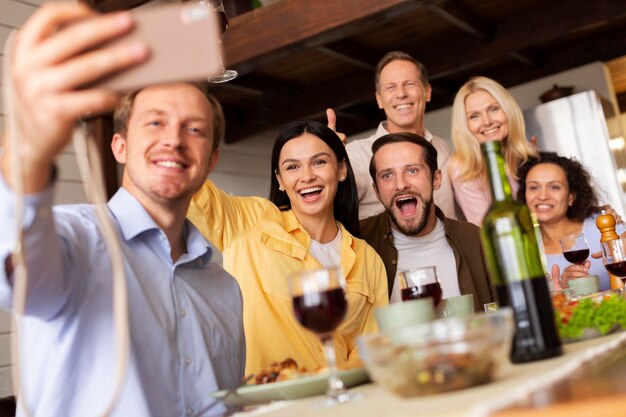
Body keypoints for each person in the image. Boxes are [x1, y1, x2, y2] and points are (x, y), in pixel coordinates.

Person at [0, 4, 244, 416]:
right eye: (154, 122)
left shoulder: (225, 288)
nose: (174, 140)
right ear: (120, 147)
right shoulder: (73, 242)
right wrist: (28, 151)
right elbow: (17, 270)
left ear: (212, 159)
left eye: (194, 129)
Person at [188, 120, 388, 377]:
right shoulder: (251, 222)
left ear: (341, 170)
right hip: (269, 404)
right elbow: (191, 189)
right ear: (280, 180)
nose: (307, 176)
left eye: (319, 162)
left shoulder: (368, 259)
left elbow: (370, 348)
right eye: (293, 167)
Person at [360, 132, 496, 311]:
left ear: (436, 179)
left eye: (412, 170)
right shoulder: (358, 241)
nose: (400, 184)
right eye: (387, 175)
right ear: (377, 191)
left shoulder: (474, 238)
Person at [337, 51, 457, 220]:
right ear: (379, 99)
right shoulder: (356, 155)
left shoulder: (442, 148)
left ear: (427, 91)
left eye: (409, 84)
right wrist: (328, 162)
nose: (401, 94)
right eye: (390, 87)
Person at [517, 152, 626, 291]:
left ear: (571, 196)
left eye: (554, 187)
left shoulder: (604, 224)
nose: (543, 196)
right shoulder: (523, 249)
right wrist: (564, 291)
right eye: (534, 187)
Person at [449, 76, 537, 226]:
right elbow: (491, 229)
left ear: (508, 109)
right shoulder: (464, 168)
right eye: (474, 116)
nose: (487, 121)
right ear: (465, 125)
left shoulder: (526, 153)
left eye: (494, 109)